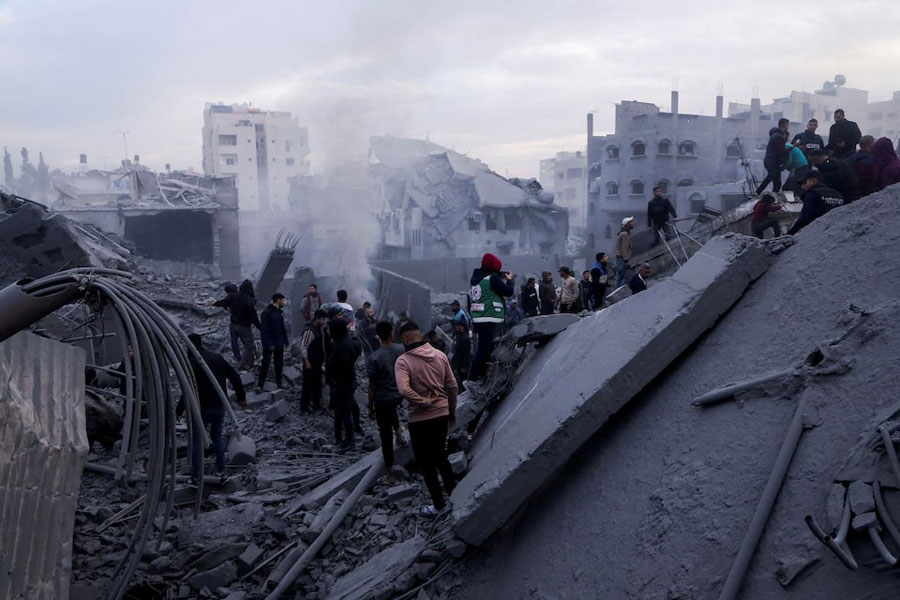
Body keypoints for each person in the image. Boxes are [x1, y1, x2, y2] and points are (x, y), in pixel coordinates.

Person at [394, 321, 458, 516]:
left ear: (404, 339)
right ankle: (457, 497)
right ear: (420, 335)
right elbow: (453, 386)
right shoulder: (440, 355)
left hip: (419, 420)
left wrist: (421, 401)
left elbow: (403, 389)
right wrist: (452, 410)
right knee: (442, 457)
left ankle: (438, 505)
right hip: (441, 415)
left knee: (426, 463)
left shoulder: (403, 361)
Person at [185, 333, 246, 485]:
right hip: (219, 406)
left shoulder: (191, 363)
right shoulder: (217, 357)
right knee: (216, 437)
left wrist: (179, 410)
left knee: (197, 440)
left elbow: (187, 390)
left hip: (201, 408)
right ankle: (221, 471)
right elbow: (234, 376)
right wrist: (241, 396)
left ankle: (196, 477)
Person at [366, 321, 408, 483]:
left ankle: (390, 471)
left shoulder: (374, 357)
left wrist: (370, 406)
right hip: (400, 394)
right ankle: (398, 432)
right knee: (391, 408)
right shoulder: (401, 349)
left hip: (383, 398)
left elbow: (372, 386)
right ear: (392, 333)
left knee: (384, 434)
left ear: (378, 336)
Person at [466, 253, 515, 383]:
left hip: (479, 319)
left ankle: (481, 376)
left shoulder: (476, 280)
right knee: (484, 350)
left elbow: (469, 301)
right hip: (490, 318)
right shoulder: (492, 279)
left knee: (485, 349)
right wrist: (510, 280)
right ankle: (473, 379)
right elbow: (508, 291)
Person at [326, 318, 361, 451]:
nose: (328, 331)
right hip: (345, 382)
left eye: (330, 328)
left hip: (343, 384)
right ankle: (339, 438)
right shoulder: (345, 341)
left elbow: (343, 366)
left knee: (345, 412)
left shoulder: (342, 346)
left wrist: (338, 379)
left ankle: (349, 441)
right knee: (342, 410)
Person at [300, 309, 329, 413]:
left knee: (317, 384)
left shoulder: (317, 329)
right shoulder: (309, 331)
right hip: (310, 362)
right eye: (323, 319)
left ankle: (316, 404)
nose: (324, 321)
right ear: (317, 318)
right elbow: (303, 347)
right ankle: (304, 407)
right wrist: (307, 362)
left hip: (316, 362)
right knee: (307, 385)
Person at [257, 293, 288, 391]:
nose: (284, 302)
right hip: (270, 344)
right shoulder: (266, 312)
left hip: (279, 342)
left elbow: (282, 327)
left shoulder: (279, 311)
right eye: (283, 300)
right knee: (265, 364)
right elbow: (264, 330)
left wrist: (285, 340)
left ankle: (279, 383)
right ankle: (260, 385)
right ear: (278, 300)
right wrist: (269, 343)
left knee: (279, 364)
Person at [755, 120, 790, 195]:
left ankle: (773, 197)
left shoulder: (777, 135)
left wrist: (786, 137)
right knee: (772, 175)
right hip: (772, 161)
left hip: (773, 161)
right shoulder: (778, 136)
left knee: (777, 183)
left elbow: (779, 146)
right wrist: (794, 146)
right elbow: (782, 151)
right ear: (785, 125)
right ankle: (758, 192)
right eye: (787, 125)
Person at [210, 283, 241, 362]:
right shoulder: (242, 296)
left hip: (236, 322)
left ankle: (238, 357)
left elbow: (223, 302)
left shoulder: (231, 297)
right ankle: (251, 355)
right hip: (244, 323)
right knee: (246, 341)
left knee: (234, 340)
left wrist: (213, 303)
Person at [450, 318, 471, 386]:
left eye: (457, 325)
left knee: (463, 380)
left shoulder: (465, 338)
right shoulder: (459, 336)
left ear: (462, 327)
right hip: (458, 362)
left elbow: (466, 353)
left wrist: (464, 366)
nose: (456, 327)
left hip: (462, 364)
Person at [615, 217, 635, 288]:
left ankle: (616, 295)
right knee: (628, 278)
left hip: (619, 259)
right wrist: (626, 260)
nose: (633, 223)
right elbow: (624, 248)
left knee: (619, 279)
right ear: (627, 224)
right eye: (631, 222)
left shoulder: (624, 233)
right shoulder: (625, 234)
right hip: (622, 259)